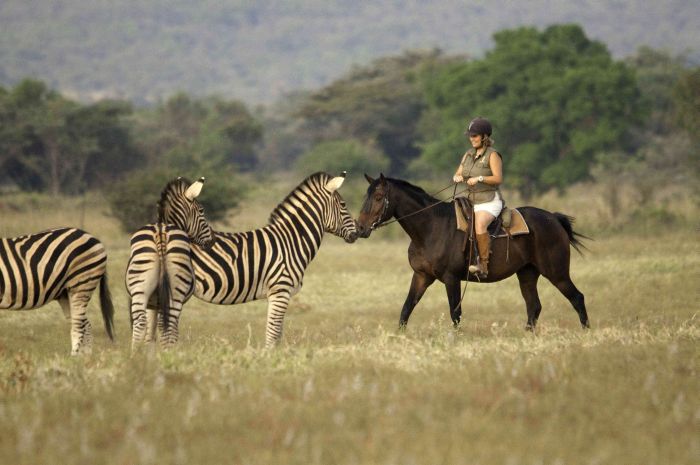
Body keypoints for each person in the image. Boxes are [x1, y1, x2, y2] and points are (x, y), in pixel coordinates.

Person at [452, 117, 504, 277]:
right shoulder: (468, 154)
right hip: (470, 199)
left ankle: (483, 265)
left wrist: (480, 178)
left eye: (474, 135)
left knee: (479, 225)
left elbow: (498, 178)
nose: (471, 138)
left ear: (484, 136)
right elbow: (459, 172)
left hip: (489, 200)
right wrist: (457, 177)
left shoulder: (492, 155)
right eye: (470, 135)